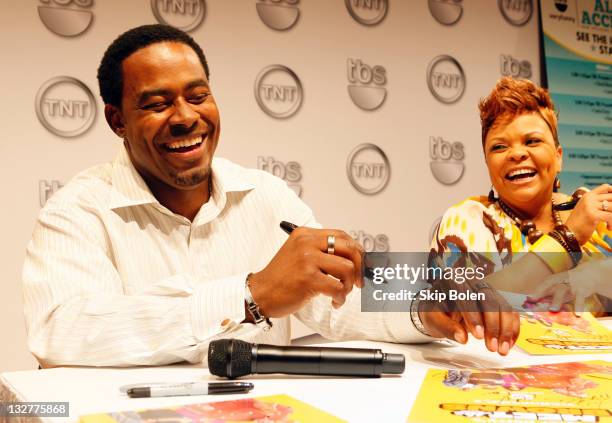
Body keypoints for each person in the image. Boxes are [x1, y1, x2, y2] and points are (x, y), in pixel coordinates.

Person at [23, 25, 515, 368]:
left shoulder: (266, 195)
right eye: (156, 103)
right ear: (116, 120)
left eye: (197, 96)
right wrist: (250, 296)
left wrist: (427, 305)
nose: (185, 116)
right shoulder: (75, 212)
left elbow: (337, 298)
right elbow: (61, 331)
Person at [430, 77, 612, 347]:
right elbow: (472, 305)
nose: (516, 154)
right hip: (507, 376)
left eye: (532, 141)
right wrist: (568, 238)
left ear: (559, 156)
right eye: (499, 147)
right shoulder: (468, 220)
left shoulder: (592, 209)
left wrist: (599, 274)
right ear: (488, 163)